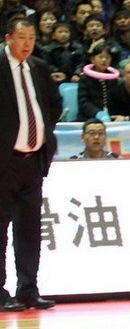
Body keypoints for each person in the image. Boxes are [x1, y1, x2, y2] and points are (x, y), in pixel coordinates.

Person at [1, 19, 62, 312]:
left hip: (33, 161)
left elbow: (54, 104)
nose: (27, 43)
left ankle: (28, 290)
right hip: (4, 162)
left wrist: (43, 131)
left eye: (32, 38)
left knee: (30, 230)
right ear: (8, 38)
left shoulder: (38, 67)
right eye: (21, 37)